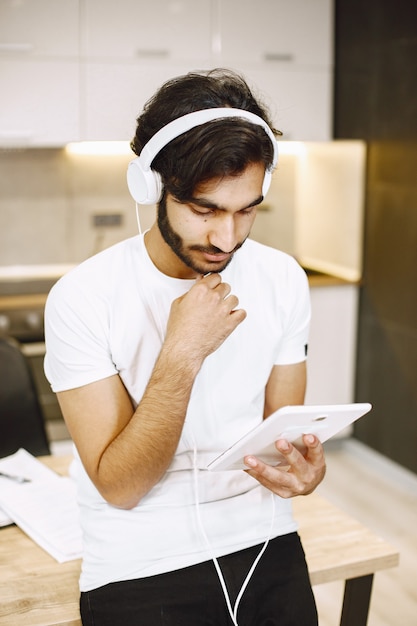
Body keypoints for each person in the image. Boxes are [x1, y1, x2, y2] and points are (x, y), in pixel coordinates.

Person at [44, 68, 326, 626]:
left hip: (262, 535)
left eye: (247, 209)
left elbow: (279, 436)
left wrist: (302, 471)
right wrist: (182, 354)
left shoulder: (283, 278)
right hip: (136, 555)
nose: (228, 239)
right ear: (151, 187)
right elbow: (120, 487)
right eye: (205, 210)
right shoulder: (82, 297)